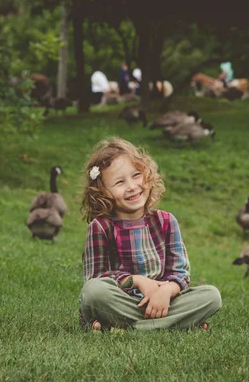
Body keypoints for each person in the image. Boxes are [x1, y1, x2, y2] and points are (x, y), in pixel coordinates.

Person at [78, 137, 222, 332]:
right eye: (120, 182)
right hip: (123, 303)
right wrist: (138, 281)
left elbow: (179, 273)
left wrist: (166, 291)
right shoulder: (101, 227)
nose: (131, 186)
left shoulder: (166, 221)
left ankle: (121, 328)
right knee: (93, 292)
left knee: (212, 296)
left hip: (163, 302)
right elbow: (95, 277)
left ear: (147, 174)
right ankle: (175, 326)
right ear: (103, 191)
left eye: (136, 175)